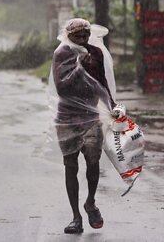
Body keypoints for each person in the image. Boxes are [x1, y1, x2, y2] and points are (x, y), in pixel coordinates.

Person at [49, 18, 124, 234]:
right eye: (77, 36)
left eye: (85, 36)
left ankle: (90, 201)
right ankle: (75, 217)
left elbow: (102, 83)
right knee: (70, 165)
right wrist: (80, 66)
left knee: (93, 159)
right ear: (68, 36)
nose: (82, 40)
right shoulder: (62, 54)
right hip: (67, 118)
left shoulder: (96, 53)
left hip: (91, 115)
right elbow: (62, 88)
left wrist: (112, 105)